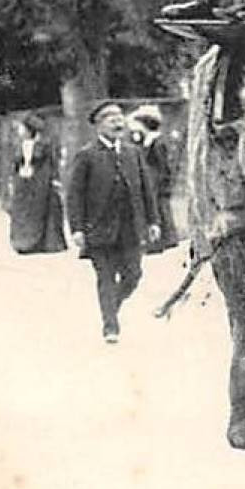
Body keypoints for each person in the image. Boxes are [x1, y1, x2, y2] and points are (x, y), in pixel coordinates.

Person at [67, 101, 160, 344]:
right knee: (106, 278)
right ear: (99, 125)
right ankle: (110, 325)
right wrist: (77, 228)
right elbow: (74, 194)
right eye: (111, 119)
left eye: (120, 117)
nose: (118, 122)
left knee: (134, 275)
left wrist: (153, 221)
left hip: (130, 228)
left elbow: (146, 189)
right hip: (98, 228)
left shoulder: (133, 153)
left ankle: (111, 306)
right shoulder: (86, 155)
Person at [8, 115, 67, 254]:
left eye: (23, 128)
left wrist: (54, 179)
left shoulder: (44, 145)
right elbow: (14, 165)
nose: (20, 131)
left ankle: (38, 242)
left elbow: (52, 163)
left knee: (39, 210)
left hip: (39, 182)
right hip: (23, 182)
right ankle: (22, 241)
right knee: (22, 211)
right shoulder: (18, 145)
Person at [126, 105, 174, 253]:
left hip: (156, 182)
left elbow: (161, 165)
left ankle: (161, 241)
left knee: (158, 210)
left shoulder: (157, 142)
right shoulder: (143, 142)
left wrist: (161, 182)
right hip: (149, 181)